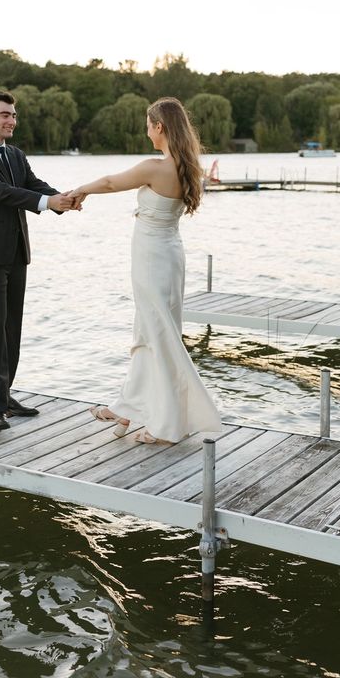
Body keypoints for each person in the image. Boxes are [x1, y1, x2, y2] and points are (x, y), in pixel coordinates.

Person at [69, 97, 221, 445]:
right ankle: (129, 407)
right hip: (169, 256)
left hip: (152, 258)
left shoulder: (156, 167)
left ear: (160, 127)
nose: (146, 131)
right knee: (150, 332)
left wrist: (80, 191)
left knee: (158, 338)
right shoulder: (187, 167)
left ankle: (169, 424)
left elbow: (109, 182)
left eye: (148, 124)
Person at [0, 89, 75, 433]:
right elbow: (1, 192)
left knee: (12, 327)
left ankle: (6, 396)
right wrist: (46, 202)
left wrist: (62, 198)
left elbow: (32, 184)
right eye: (5, 115)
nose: (12, 121)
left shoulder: (16, 155)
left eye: (14, 115)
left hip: (16, 250)